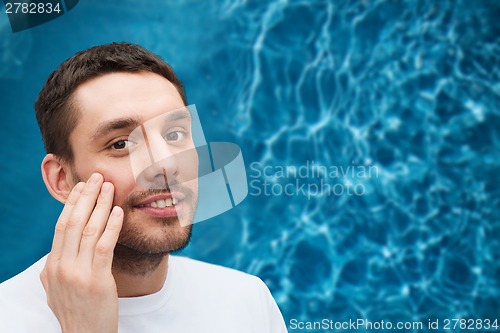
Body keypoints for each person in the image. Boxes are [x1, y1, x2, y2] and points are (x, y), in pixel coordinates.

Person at [0, 42, 287, 333]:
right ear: (61, 180)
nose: (166, 165)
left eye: (175, 134)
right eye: (121, 144)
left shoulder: (246, 301)